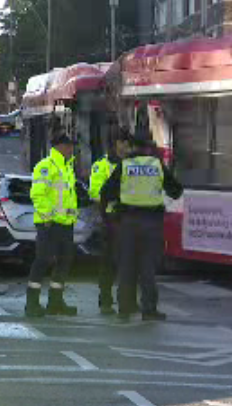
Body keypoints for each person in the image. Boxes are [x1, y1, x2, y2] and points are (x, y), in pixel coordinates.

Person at [100, 131, 183, 321]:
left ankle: (124, 307)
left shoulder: (125, 165)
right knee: (148, 267)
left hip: (127, 222)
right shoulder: (157, 165)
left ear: (133, 147)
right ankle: (149, 309)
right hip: (152, 223)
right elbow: (176, 191)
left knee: (126, 265)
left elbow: (106, 192)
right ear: (148, 148)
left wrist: (109, 218)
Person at [25, 134, 80, 318]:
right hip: (49, 224)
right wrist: (47, 217)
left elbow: (68, 197)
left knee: (64, 262)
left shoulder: (67, 167)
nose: (71, 149)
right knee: (42, 261)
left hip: (65, 224)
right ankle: (31, 304)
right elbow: (38, 194)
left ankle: (55, 303)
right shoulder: (46, 166)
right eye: (69, 145)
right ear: (59, 147)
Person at [88, 127, 133, 315]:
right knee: (109, 262)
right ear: (114, 145)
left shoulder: (134, 165)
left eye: (128, 144)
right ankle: (105, 299)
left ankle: (128, 300)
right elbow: (95, 192)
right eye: (121, 143)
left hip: (131, 219)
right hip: (111, 219)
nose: (125, 147)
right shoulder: (102, 165)